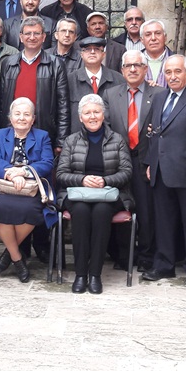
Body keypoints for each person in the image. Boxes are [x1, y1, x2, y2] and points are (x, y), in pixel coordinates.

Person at [140, 55, 186, 287]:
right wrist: (151, 164)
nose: (172, 76)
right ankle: (164, 265)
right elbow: (156, 135)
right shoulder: (160, 96)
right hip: (162, 170)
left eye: (177, 71)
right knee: (163, 221)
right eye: (169, 72)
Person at [55, 94, 133, 294]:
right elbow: (61, 173)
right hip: (77, 194)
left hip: (108, 194)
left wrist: (105, 181)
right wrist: (82, 180)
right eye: (87, 113)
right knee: (80, 212)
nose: (92, 116)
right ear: (80, 117)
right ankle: (81, 274)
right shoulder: (71, 141)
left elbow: (126, 172)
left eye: (96, 112)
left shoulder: (117, 140)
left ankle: (95, 274)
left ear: (103, 114)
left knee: (100, 212)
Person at [0, 98, 56, 283]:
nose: (22, 118)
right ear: (10, 117)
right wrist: (12, 175)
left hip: (31, 187)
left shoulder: (42, 136)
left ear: (33, 118)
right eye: (17, 114)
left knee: (33, 209)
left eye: (27, 114)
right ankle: (17, 258)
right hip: (1, 186)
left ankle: (9, 252)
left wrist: (24, 171)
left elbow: (47, 162)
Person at [102, 50, 161, 270]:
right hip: (119, 162)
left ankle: (146, 256)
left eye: (138, 65)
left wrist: (153, 162)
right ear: (122, 70)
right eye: (128, 66)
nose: (133, 69)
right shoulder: (110, 94)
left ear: (146, 69)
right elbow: (106, 127)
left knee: (146, 212)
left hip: (145, 161)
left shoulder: (159, 93)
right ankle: (123, 256)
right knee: (120, 207)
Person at [0, 16, 70, 151]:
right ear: (21, 37)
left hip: (43, 130)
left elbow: (63, 105)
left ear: (43, 37)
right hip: (12, 130)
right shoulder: (8, 63)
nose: (32, 37)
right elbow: (2, 102)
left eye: (36, 33)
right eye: (28, 33)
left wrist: (61, 140)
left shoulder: (55, 64)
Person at [67, 36, 125, 132]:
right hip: (77, 139)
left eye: (97, 49)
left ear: (104, 54)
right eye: (88, 49)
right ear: (81, 54)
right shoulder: (70, 80)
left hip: (111, 138)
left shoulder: (118, 79)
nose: (92, 52)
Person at [141, 20, 172, 87]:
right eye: (148, 34)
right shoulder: (134, 61)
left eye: (158, 33)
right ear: (142, 40)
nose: (153, 38)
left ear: (165, 37)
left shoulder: (176, 60)